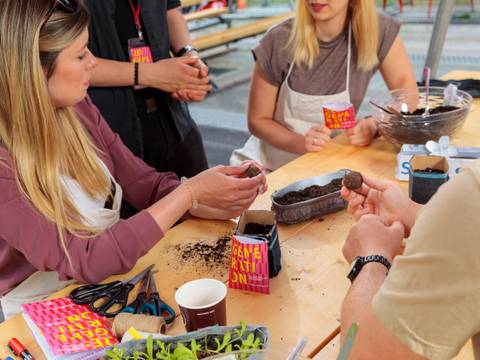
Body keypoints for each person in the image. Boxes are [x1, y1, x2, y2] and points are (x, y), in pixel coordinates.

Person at [0, 0, 266, 320]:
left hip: (110, 284)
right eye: (81, 55)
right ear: (37, 69)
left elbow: (144, 183)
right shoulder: (5, 163)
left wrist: (209, 196)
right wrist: (189, 194)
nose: (92, 64)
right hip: (40, 313)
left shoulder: (78, 109)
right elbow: (87, 258)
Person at [230, 0, 417, 172]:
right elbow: (257, 121)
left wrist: (375, 124)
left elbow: (408, 95)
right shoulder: (278, 41)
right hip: (272, 167)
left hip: (329, 164)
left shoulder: (376, 30)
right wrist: (302, 143)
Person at [339, 168, 480, 359]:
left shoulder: (472, 194)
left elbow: (358, 355)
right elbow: (468, 239)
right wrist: (411, 213)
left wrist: (369, 260)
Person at [86, 0, 210, 178]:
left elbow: (171, 10)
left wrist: (188, 57)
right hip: (110, 127)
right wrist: (151, 74)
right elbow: (58, 61)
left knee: (203, 196)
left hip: (172, 117)